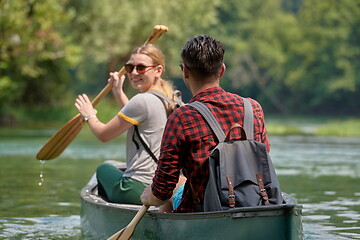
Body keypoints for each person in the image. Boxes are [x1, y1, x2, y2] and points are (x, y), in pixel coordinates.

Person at [141, 35, 270, 212]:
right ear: (222, 70)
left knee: (168, 198)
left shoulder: (181, 117)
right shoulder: (253, 108)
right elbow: (264, 157)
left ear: (185, 71)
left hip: (202, 211)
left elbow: (162, 190)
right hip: (254, 204)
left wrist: (149, 196)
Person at [75, 44, 175, 205]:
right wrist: (118, 91)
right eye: (130, 67)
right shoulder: (171, 99)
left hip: (138, 187)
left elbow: (103, 135)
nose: (134, 72)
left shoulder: (142, 100)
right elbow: (137, 119)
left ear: (158, 70)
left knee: (104, 169)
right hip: (163, 189)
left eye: (141, 68)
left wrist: (89, 115)